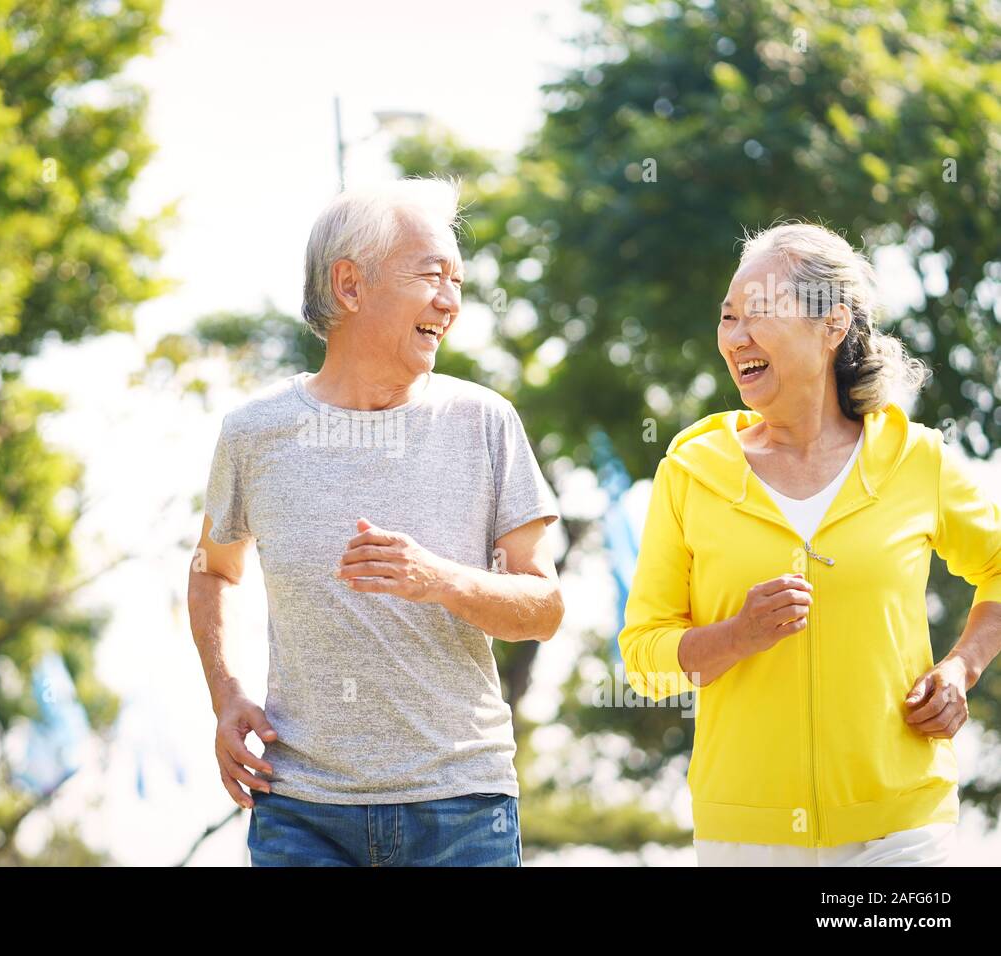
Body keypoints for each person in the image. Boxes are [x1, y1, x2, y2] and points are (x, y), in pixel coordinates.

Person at [187, 177, 564, 866]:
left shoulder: (484, 422)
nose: (450, 301)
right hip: (300, 812)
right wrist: (227, 693)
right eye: (430, 276)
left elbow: (542, 608)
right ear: (350, 286)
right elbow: (214, 570)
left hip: (462, 810)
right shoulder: (254, 433)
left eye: (458, 280)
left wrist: (440, 580)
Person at [619, 222, 1001, 866]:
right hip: (746, 836)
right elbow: (644, 659)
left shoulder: (915, 458)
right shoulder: (691, 471)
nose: (736, 337)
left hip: (902, 828)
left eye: (758, 314)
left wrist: (961, 668)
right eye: (728, 318)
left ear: (832, 327)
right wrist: (737, 635)